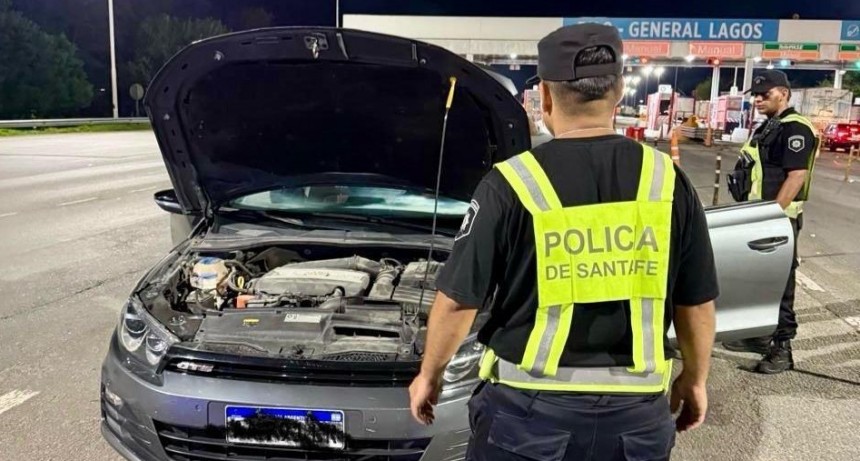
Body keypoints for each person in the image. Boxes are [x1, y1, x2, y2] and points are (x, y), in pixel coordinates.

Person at [408, 23, 719, 461]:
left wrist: (430, 374)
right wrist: (696, 377)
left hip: (527, 417)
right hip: (636, 419)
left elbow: (459, 302)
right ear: (618, 93)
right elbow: (696, 302)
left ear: (547, 98)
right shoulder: (667, 180)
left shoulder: (511, 183)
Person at [722, 70, 819, 374]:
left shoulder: (795, 129)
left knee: (780, 283)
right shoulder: (770, 126)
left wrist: (772, 216)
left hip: (778, 219)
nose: (758, 99)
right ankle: (759, 336)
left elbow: (796, 176)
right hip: (758, 214)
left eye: (765, 94)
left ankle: (782, 349)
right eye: (756, 94)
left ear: (784, 94)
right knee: (758, 279)